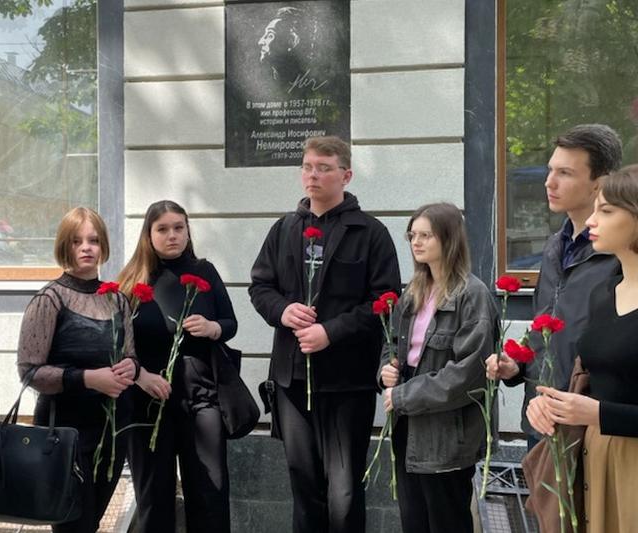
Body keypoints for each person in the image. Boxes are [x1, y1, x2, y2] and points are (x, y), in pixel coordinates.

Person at [248, 136, 401, 533]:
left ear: (345, 176)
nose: (312, 175)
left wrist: (330, 332)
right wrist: (283, 311)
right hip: (292, 381)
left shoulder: (370, 232)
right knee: (304, 486)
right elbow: (260, 287)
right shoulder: (284, 229)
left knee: (344, 493)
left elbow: (385, 301)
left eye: (324, 168)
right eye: (307, 167)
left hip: (347, 382)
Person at [487, 124, 622, 447]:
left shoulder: (621, 254)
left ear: (599, 183)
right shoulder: (553, 247)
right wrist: (517, 365)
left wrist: (595, 407)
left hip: (593, 428)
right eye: (550, 170)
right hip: (541, 420)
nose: (549, 182)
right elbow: (546, 327)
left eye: (565, 173)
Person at [527, 165, 638, 532]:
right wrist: (552, 406)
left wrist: (600, 413)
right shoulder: (604, 294)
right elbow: (593, 378)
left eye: (606, 210)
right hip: (595, 464)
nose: (591, 220)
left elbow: (600, 404)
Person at [378, 203, 498, 533]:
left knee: (446, 522)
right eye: (412, 235)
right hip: (408, 426)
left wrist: (403, 396)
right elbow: (391, 343)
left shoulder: (472, 296)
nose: (416, 242)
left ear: (449, 239)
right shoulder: (414, 291)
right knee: (414, 521)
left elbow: (468, 374)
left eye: (426, 235)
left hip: (447, 433)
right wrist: (385, 370)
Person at [119, 200, 238, 533]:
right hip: (147, 401)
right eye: (163, 229)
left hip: (201, 397)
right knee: (154, 497)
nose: (172, 235)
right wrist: (140, 376)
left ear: (187, 231)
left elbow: (230, 322)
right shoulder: (133, 280)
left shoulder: (205, 271)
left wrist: (212, 328)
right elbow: (117, 344)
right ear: (149, 234)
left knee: (210, 493)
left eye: (178, 228)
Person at [17, 207, 137, 533]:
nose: (86, 248)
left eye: (93, 240)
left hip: (112, 431)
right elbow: (29, 371)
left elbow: (131, 356)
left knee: (92, 523)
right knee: (73, 526)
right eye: (76, 241)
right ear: (64, 246)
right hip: (66, 433)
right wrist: (87, 379)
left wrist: (131, 366)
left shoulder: (118, 300)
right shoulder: (49, 299)